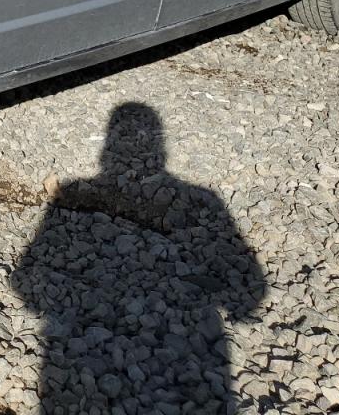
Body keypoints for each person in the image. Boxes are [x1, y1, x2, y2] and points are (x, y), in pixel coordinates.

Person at [14, 102, 267, 413]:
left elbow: (24, 283)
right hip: (197, 352)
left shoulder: (75, 191)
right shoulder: (206, 199)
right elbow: (252, 292)